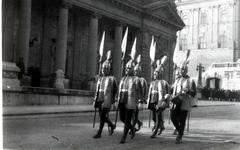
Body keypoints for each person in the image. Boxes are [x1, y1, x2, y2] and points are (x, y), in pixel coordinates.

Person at [170, 56, 196, 144]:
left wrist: (188, 90)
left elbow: (193, 92)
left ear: (187, 70)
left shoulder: (190, 80)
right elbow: (172, 90)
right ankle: (179, 130)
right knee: (173, 117)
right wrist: (169, 94)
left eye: (184, 70)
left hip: (185, 102)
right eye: (181, 69)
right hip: (177, 101)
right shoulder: (177, 80)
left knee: (182, 120)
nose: (182, 71)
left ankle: (179, 136)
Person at [93, 51, 118, 139]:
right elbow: (97, 90)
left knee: (102, 116)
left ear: (109, 69)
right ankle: (112, 125)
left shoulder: (112, 79)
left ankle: (99, 132)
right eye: (103, 69)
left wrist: (113, 101)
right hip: (100, 100)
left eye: (105, 69)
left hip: (106, 101)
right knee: (101, 116)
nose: (103, 70)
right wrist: (95, 100)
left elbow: (115, 91)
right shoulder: (100, 78)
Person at [116, 59, 142, 144]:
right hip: (122, 101)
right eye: (126, 68)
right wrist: (117, 100)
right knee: (122, 118)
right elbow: (119, 91)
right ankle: (132, 128)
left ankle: (124, 136)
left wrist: (140, 101)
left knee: (127, 119)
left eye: (129, 68)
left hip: (131, 102)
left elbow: (140, 92)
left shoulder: (136, 79)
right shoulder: (123, 79)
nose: (127, 70)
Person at [147, 57, 170, 138]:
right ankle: (161, 125)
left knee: (157, 117)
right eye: (154, 73)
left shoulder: (164, 83)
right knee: (154, 117)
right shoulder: (153, 82)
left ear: (160, 73)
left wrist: (164, 101)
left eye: (156, 73)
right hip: (153, 102)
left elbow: (167, 93)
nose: (154, 74)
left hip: (160, 102)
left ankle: (155, 132)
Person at [133, 55, 147, 132]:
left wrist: (141, 100)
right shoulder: (133, 79)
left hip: (138, 100)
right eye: (134, 71)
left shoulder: (142, 80)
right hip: (131, 99)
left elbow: (143, 90)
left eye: (137, 71)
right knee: (131, 114)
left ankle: (133, 127)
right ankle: (138, 123)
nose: (135, 72)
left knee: (134, 114)